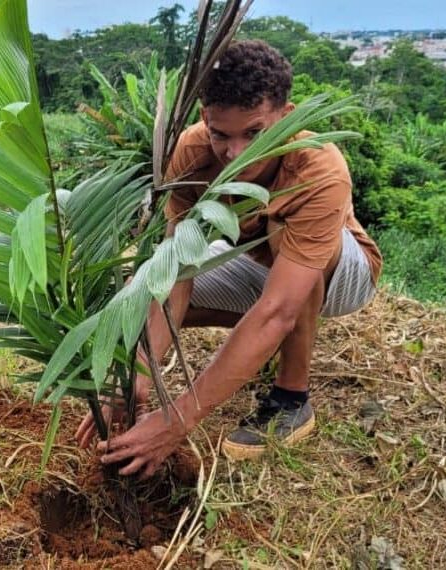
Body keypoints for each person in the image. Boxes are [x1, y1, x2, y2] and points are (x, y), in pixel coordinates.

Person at [75, 40, 383, 477]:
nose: (236, 152)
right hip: (260, 266)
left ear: (286, 115)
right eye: (221, 134)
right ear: (205, 118)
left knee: (283, 253)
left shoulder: (316, 168)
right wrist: (138, 373)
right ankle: (260, 347)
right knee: (139, 286)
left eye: (254, 133)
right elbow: (175, 272)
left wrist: (178, 419)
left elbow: (277, 309)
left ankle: (291, 399)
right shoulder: (192, 152)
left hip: (342, 275)